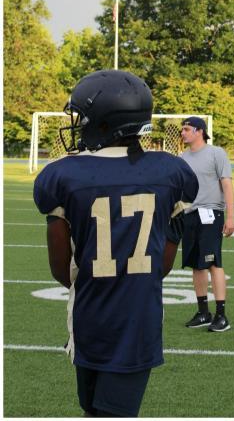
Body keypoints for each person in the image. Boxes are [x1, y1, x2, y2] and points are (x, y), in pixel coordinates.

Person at [33, 70, 198, 418]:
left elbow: (60, 270)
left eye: (83, 117)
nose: (78, 125)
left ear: (104, 124)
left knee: (96, 412)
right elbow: (162, 266)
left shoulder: (63, 174)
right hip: (138, 319)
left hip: (89, 316)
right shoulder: (171, 171)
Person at [180, 116, 234, 332]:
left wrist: (230, 216)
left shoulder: (216, 153)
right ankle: (203, 312)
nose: (183, 133)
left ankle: (221, 316)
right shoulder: (183, 157)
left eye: (186, 129)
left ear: (199, 131)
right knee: (196, 264)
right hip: (190, 214)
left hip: (211, 213)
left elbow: (227, 186)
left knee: (214, 263)